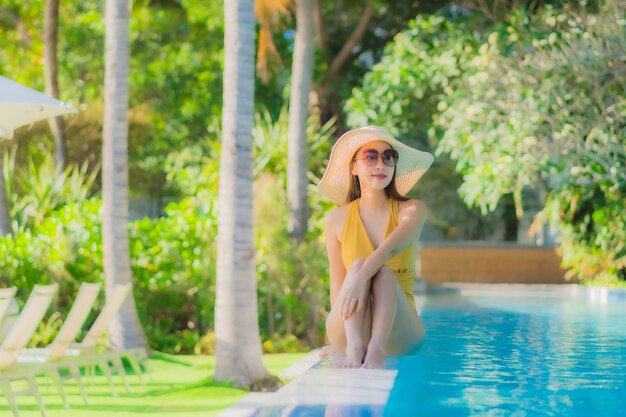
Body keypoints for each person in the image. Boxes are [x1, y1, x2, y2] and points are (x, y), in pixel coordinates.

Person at [317, 126, 434, 369]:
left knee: (381, 272)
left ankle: (376, 349)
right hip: (349, 330)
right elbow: (338, 288)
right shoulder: (335, 219)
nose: (381, 165)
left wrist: (361, 276)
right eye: (370, 157)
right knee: (359, 266)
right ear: (353, 167)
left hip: (399, 330)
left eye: (388, 157)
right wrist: (337, 339)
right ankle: (355, 346)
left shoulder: (412, 210)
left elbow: (388, 251)